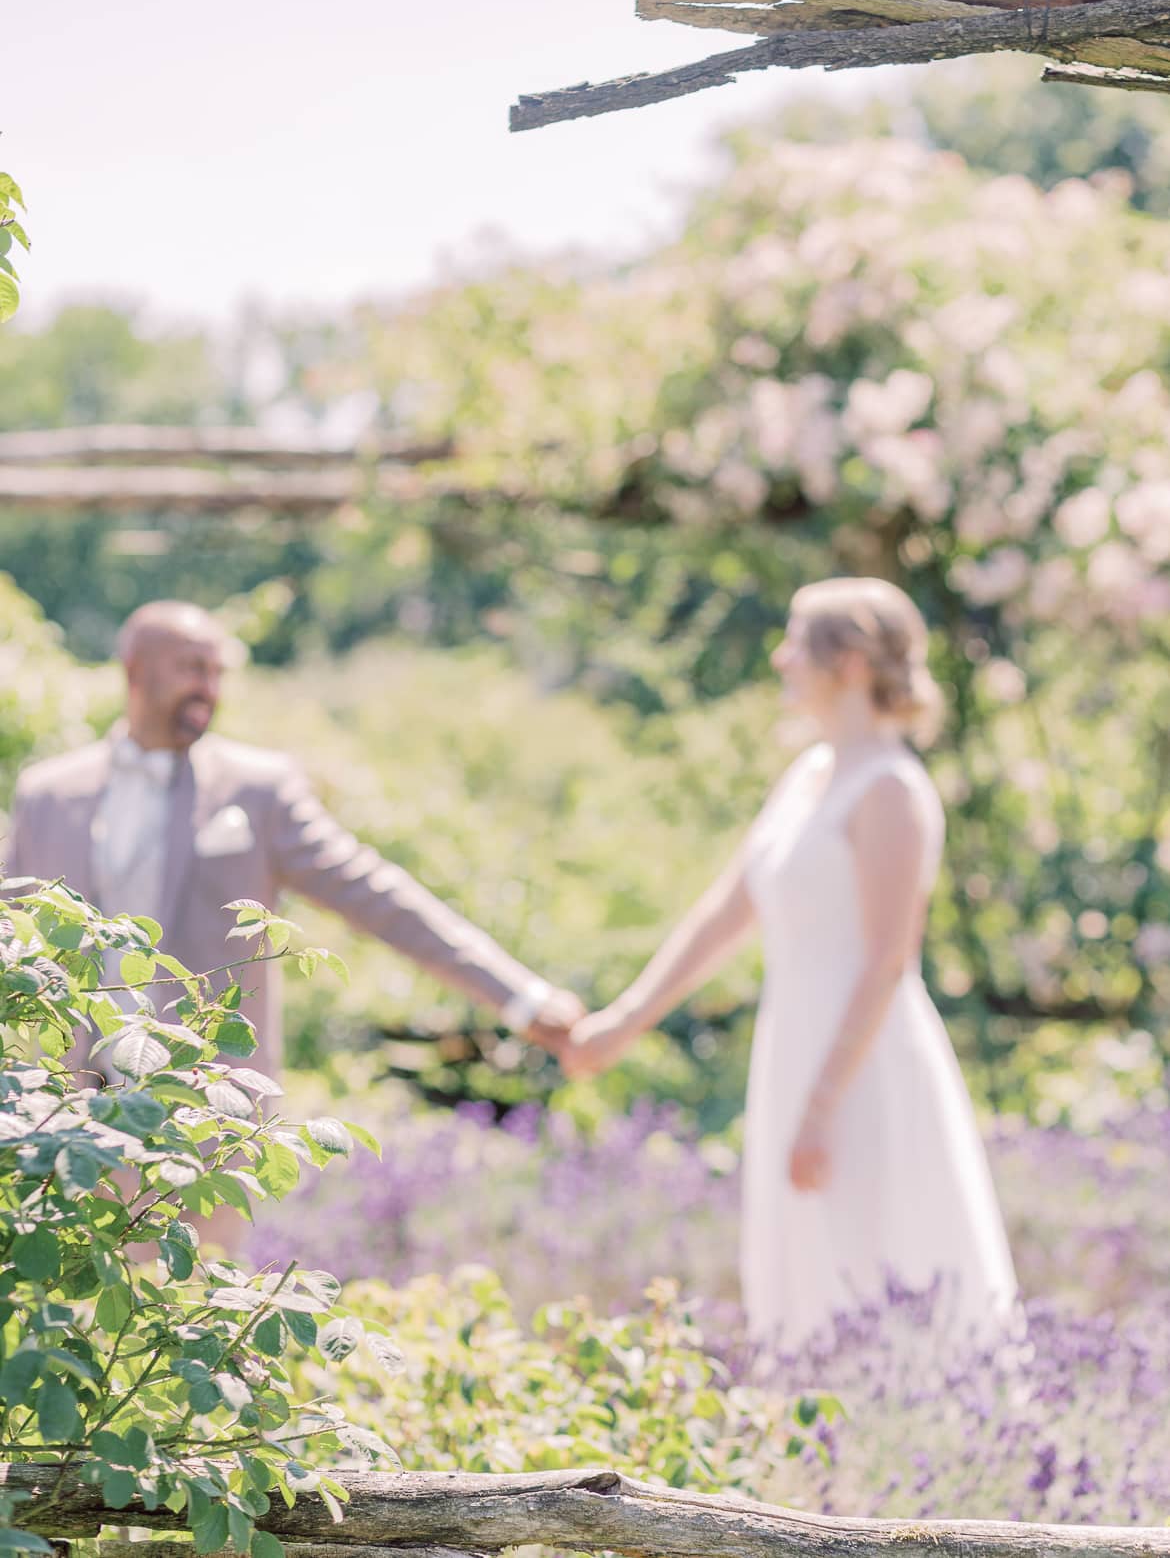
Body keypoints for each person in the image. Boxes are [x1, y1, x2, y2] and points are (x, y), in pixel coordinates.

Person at [561, 577, 1017, 1352]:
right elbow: (726, 913)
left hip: (863, 1066)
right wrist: (624, 1022)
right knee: (801, 1263)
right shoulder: (809, 774)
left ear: (848, 664)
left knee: (875, 1253)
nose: (781, 658)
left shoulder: (892, 791)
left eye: (798, 642)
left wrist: (819, 1108)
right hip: (794, 1043)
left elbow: (886, 962)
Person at [6, 600, 584, 1085]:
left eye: (217, 672)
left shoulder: (260, 790)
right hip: (64, 1114)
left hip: (209, 1117)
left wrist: (520, 997)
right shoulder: (47, 795)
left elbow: (377, 896)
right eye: (191, 667)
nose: (208, 688)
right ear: (134, 671)